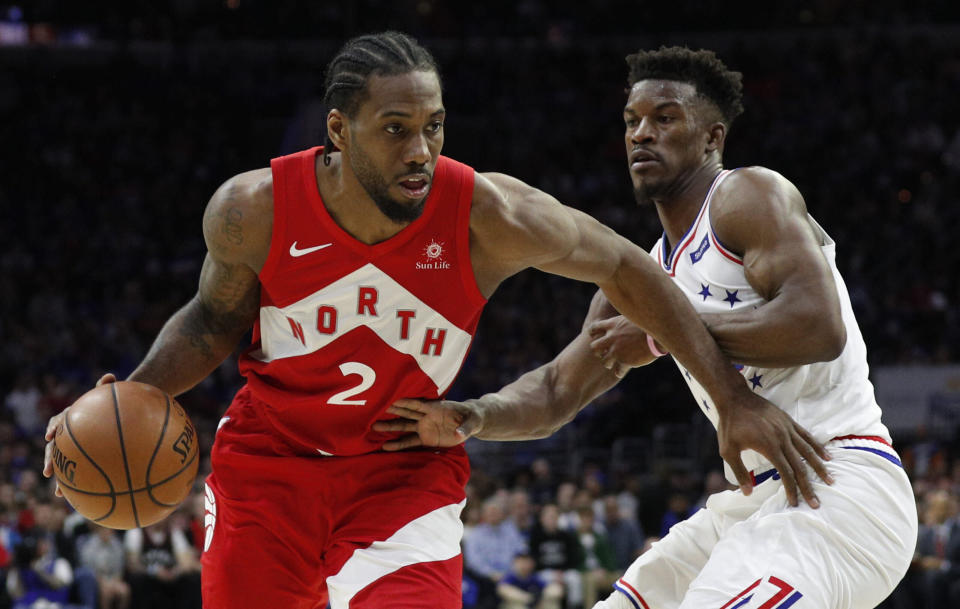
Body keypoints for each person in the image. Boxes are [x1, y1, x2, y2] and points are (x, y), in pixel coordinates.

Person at [43, 33, 827, 608]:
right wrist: (124, 402)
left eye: (435, 126)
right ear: (340, 132)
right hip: (269, 471)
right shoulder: (255, 210)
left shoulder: (486, 213)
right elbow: (213, 322)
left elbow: (627, 265)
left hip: (402, 475)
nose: (421, 149)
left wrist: (731, 396)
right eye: (396, 129)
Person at [377, 46, 918, 608]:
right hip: (752, 500)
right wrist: (472, 415)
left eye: (665, 119)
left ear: (712, 138)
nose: (641, 134)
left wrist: (661, 337)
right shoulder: (639, 275)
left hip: (838, 482)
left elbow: (816, 326)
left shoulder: (746, 196)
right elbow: (559, 390)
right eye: (632, 121)